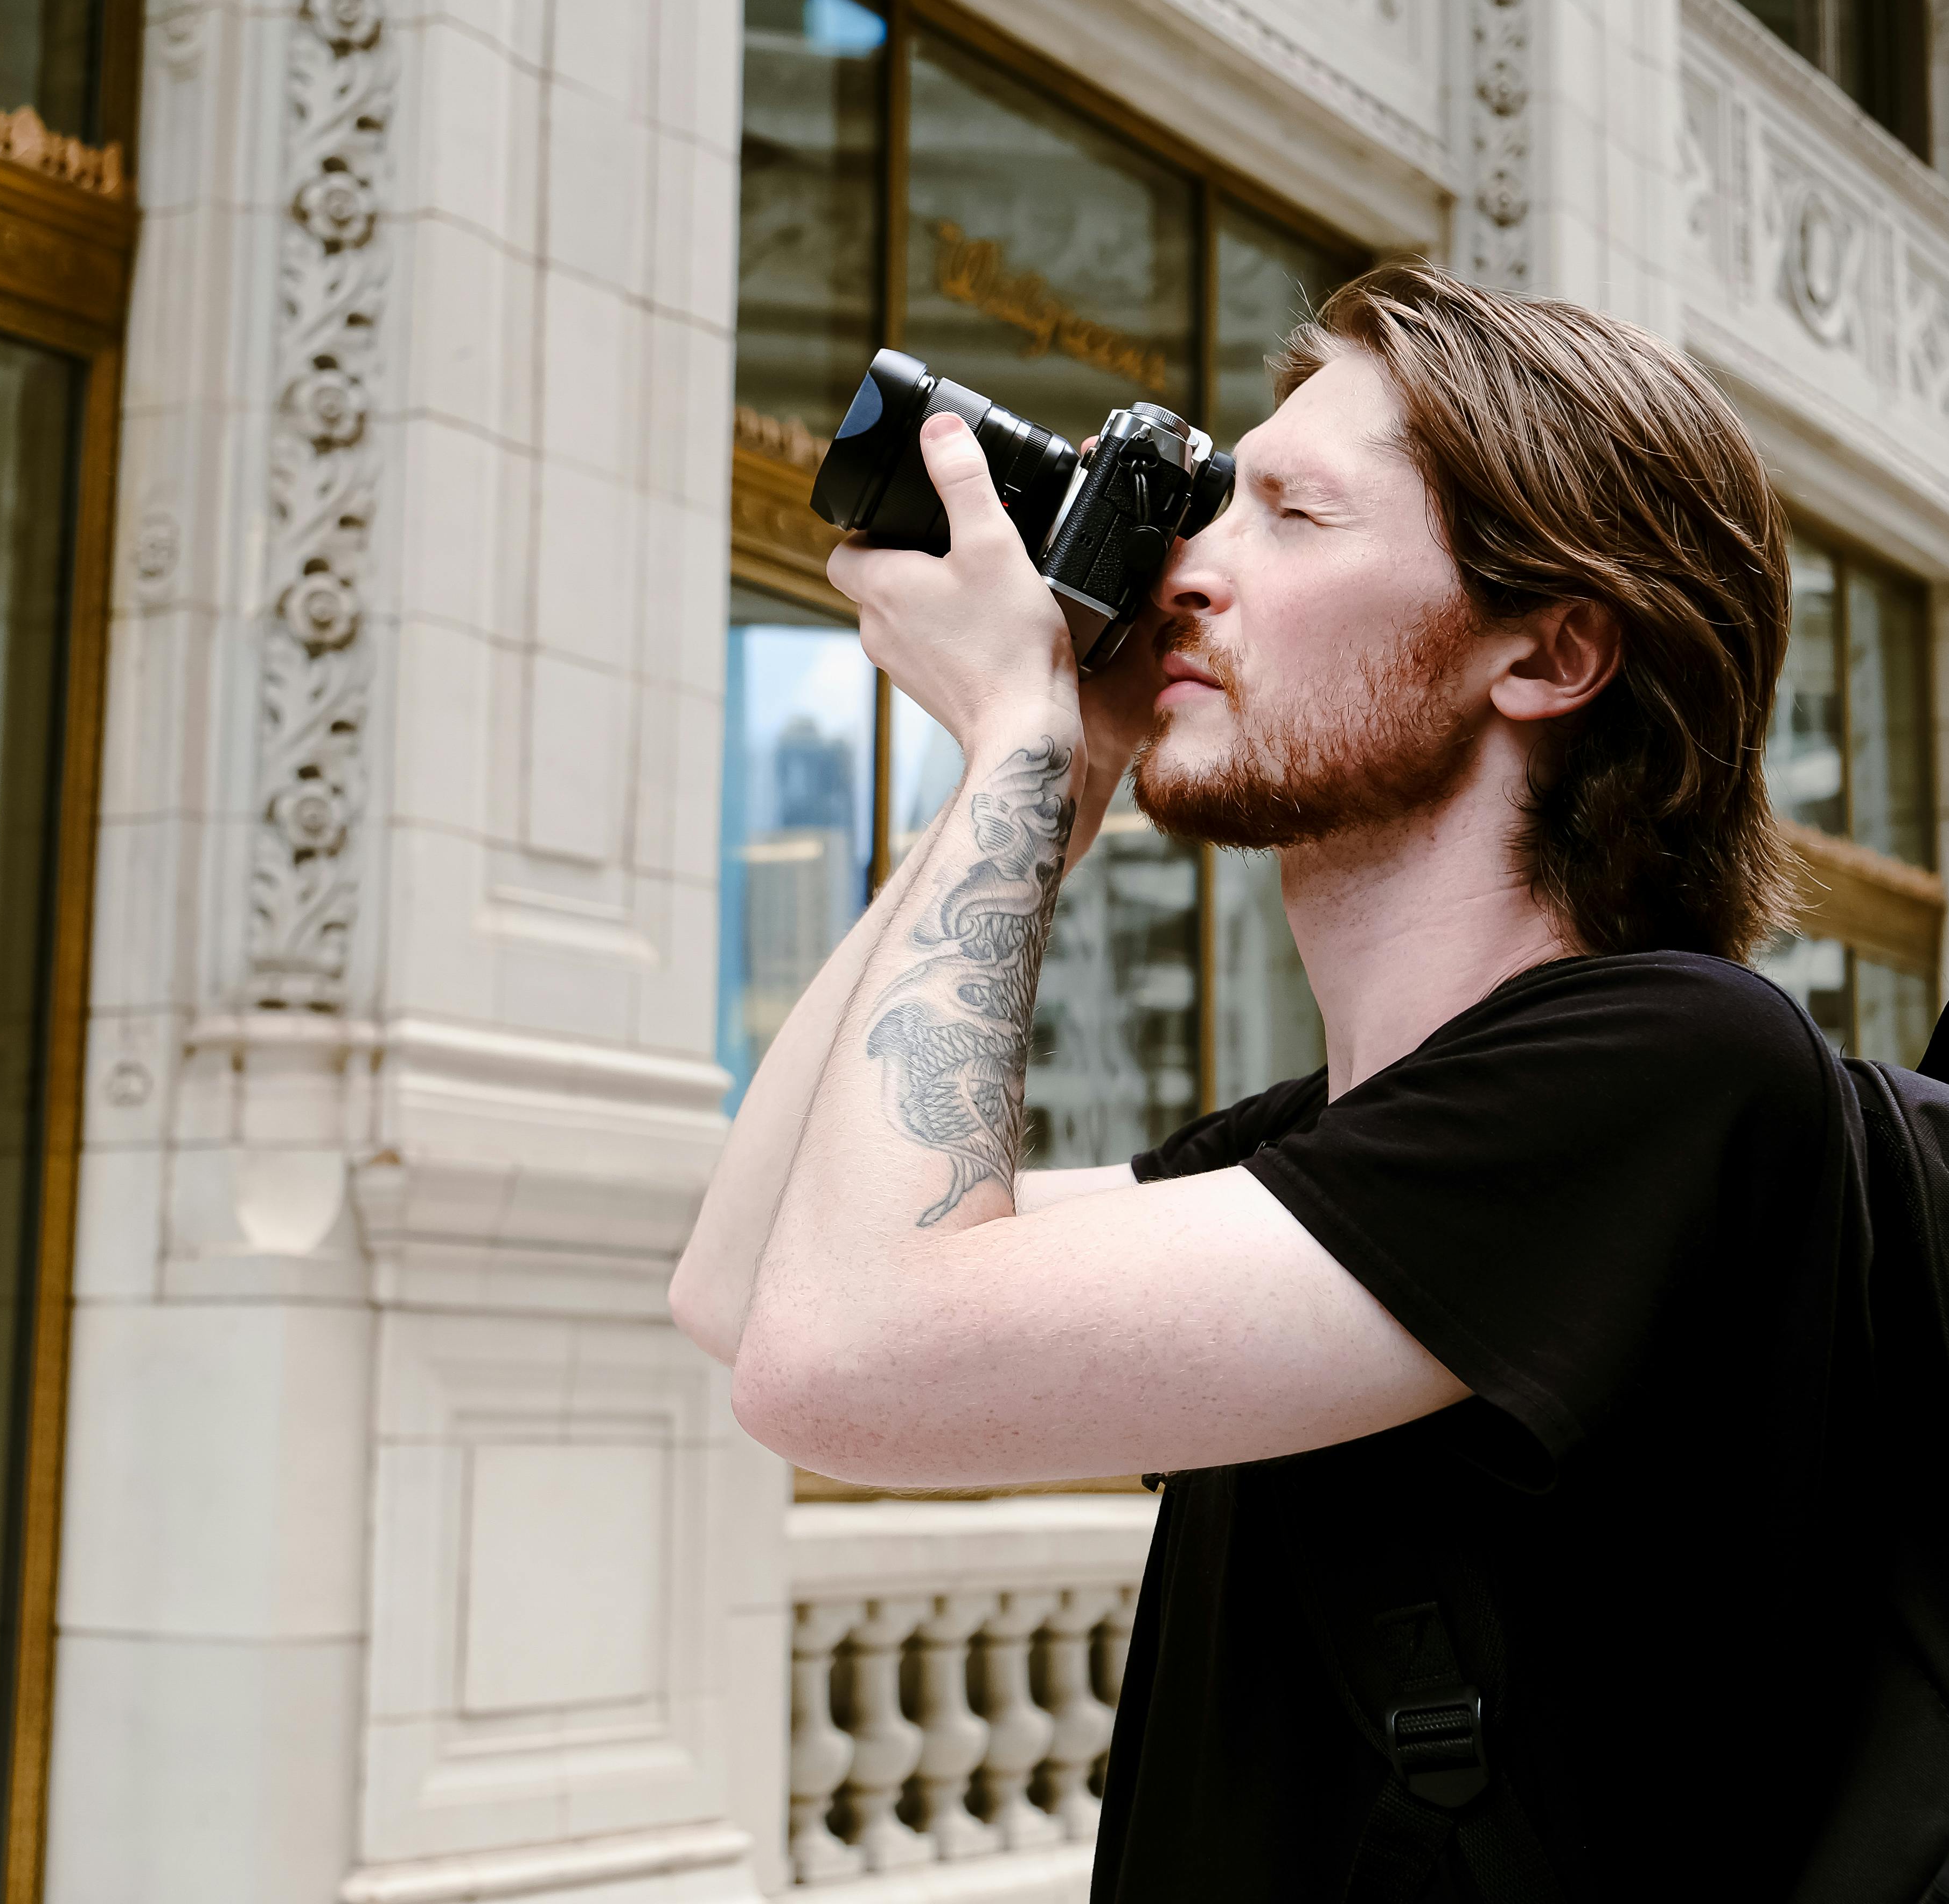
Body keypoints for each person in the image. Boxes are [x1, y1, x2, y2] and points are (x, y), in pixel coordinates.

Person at [672, 265, 1874, 1899]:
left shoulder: (1678, 1075)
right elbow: (747, 1289)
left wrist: (1022, 741)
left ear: (1547, 653)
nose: (1186, 574)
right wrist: (1055, 775)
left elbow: (843, 1352)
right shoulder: (1331, 1151)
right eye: (1208, 507)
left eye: (1290, 517)